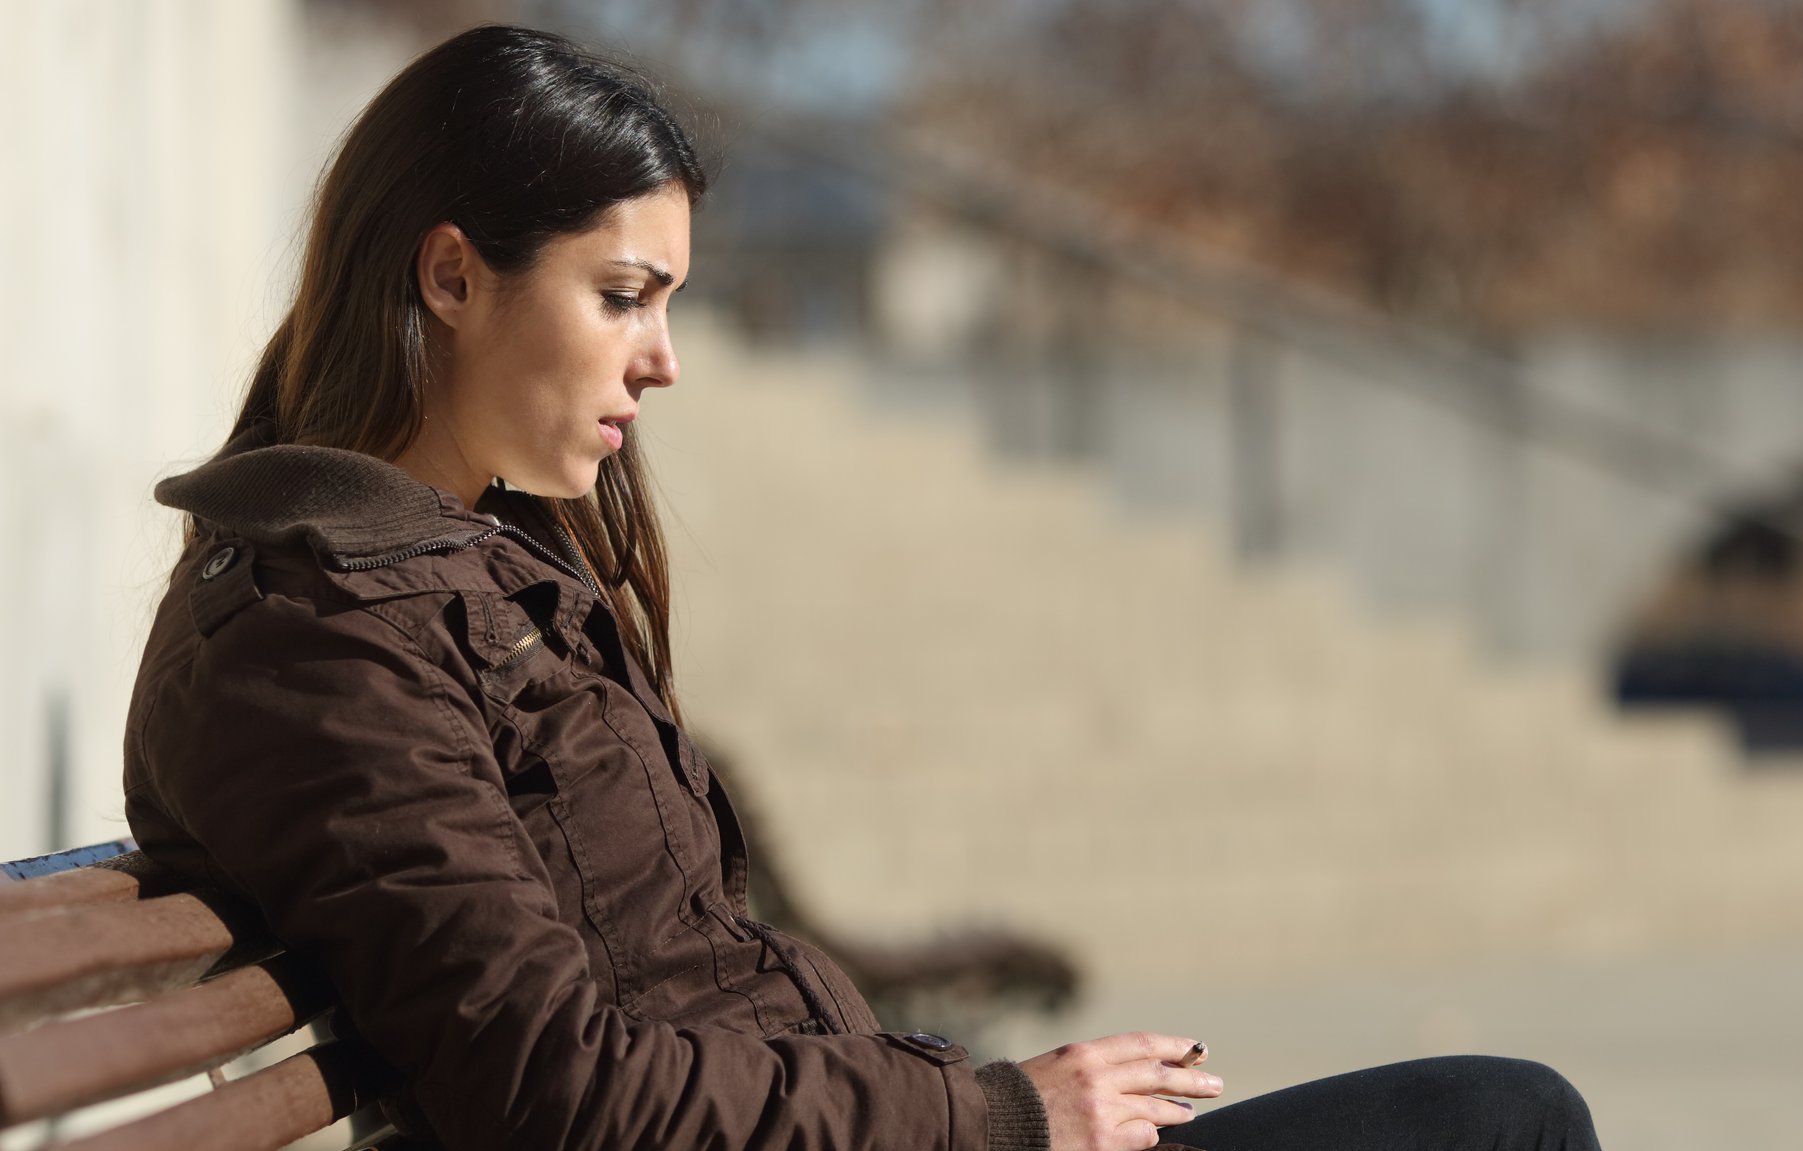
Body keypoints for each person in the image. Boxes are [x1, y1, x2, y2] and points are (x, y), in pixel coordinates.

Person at [122, 23, 1602, 1151]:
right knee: (1499, 1121)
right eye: (623, 296)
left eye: (671, 303)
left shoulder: (463, 573)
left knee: (1496, 1112)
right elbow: (559, 1090)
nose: (663, 358)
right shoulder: (318, 644)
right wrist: (1006, 1115)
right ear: (451, 278)